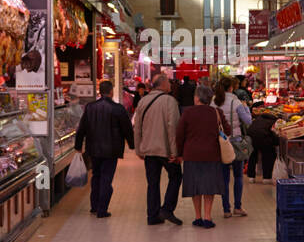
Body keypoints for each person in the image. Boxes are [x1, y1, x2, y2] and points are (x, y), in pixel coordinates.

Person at [73, 80, 134, 218]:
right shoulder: (118, 108)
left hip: (93, 149)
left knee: (96, 176)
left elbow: (82, 128)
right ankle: (102, 209)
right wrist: (132, 144)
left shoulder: (90, 107)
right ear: (111, 92)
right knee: (106, 178)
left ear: (100, 92)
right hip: (111, 150)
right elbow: (127, 129)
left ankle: (94, 206)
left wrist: (78, 146)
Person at [132, 73, 183, 226]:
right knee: (176, 177)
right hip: (165, 150)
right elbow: (172, 128)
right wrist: (175, 153)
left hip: (149, 149)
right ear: (162, 84)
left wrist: (139, 149)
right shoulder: (170, 101)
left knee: (152, 183)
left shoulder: (143, 101)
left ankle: (153, 216)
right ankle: (167, 209)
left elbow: (137, 128)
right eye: (168, 82)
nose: (170, 85)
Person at [176, 84, 229, 228]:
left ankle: (197, 217)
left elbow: (179, 135)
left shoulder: (188, 113)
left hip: (192, 155)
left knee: (195, 186)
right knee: (209, 187)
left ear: (197, 97)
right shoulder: (216, 112)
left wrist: (179, 154)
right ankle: (208, 217)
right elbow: (227, 130)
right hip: (212, 154)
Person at [214, 80, 251, 217]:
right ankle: (238, 207)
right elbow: (248, 121)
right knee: (238, 176)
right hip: (235, 142)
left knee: (224, 177)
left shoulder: (214, 102)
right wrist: (246, 107)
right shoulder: (236, 103)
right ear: (231, 88)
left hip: (221, 142)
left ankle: (226, 209)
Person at [246, 109, 281, 183]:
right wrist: (277, 143)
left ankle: (251, 177)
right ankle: (266, 178)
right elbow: (274, 134)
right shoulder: (273, 121)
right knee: (268, 155)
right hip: (263, 137)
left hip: (250, 137)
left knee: (252, 156)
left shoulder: (258, 119)